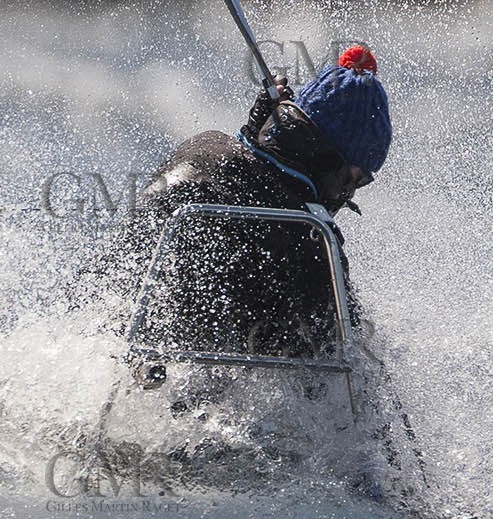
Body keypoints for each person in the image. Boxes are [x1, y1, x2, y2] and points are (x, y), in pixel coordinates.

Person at [82, 45, 392, 367]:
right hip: (199, 393)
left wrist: (257, 132)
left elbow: (243, 179)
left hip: (104, 345)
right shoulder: (314, 242)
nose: (350, 196)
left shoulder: (202, 146)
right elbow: (351, 365)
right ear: (341, 170)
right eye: (359, 181)